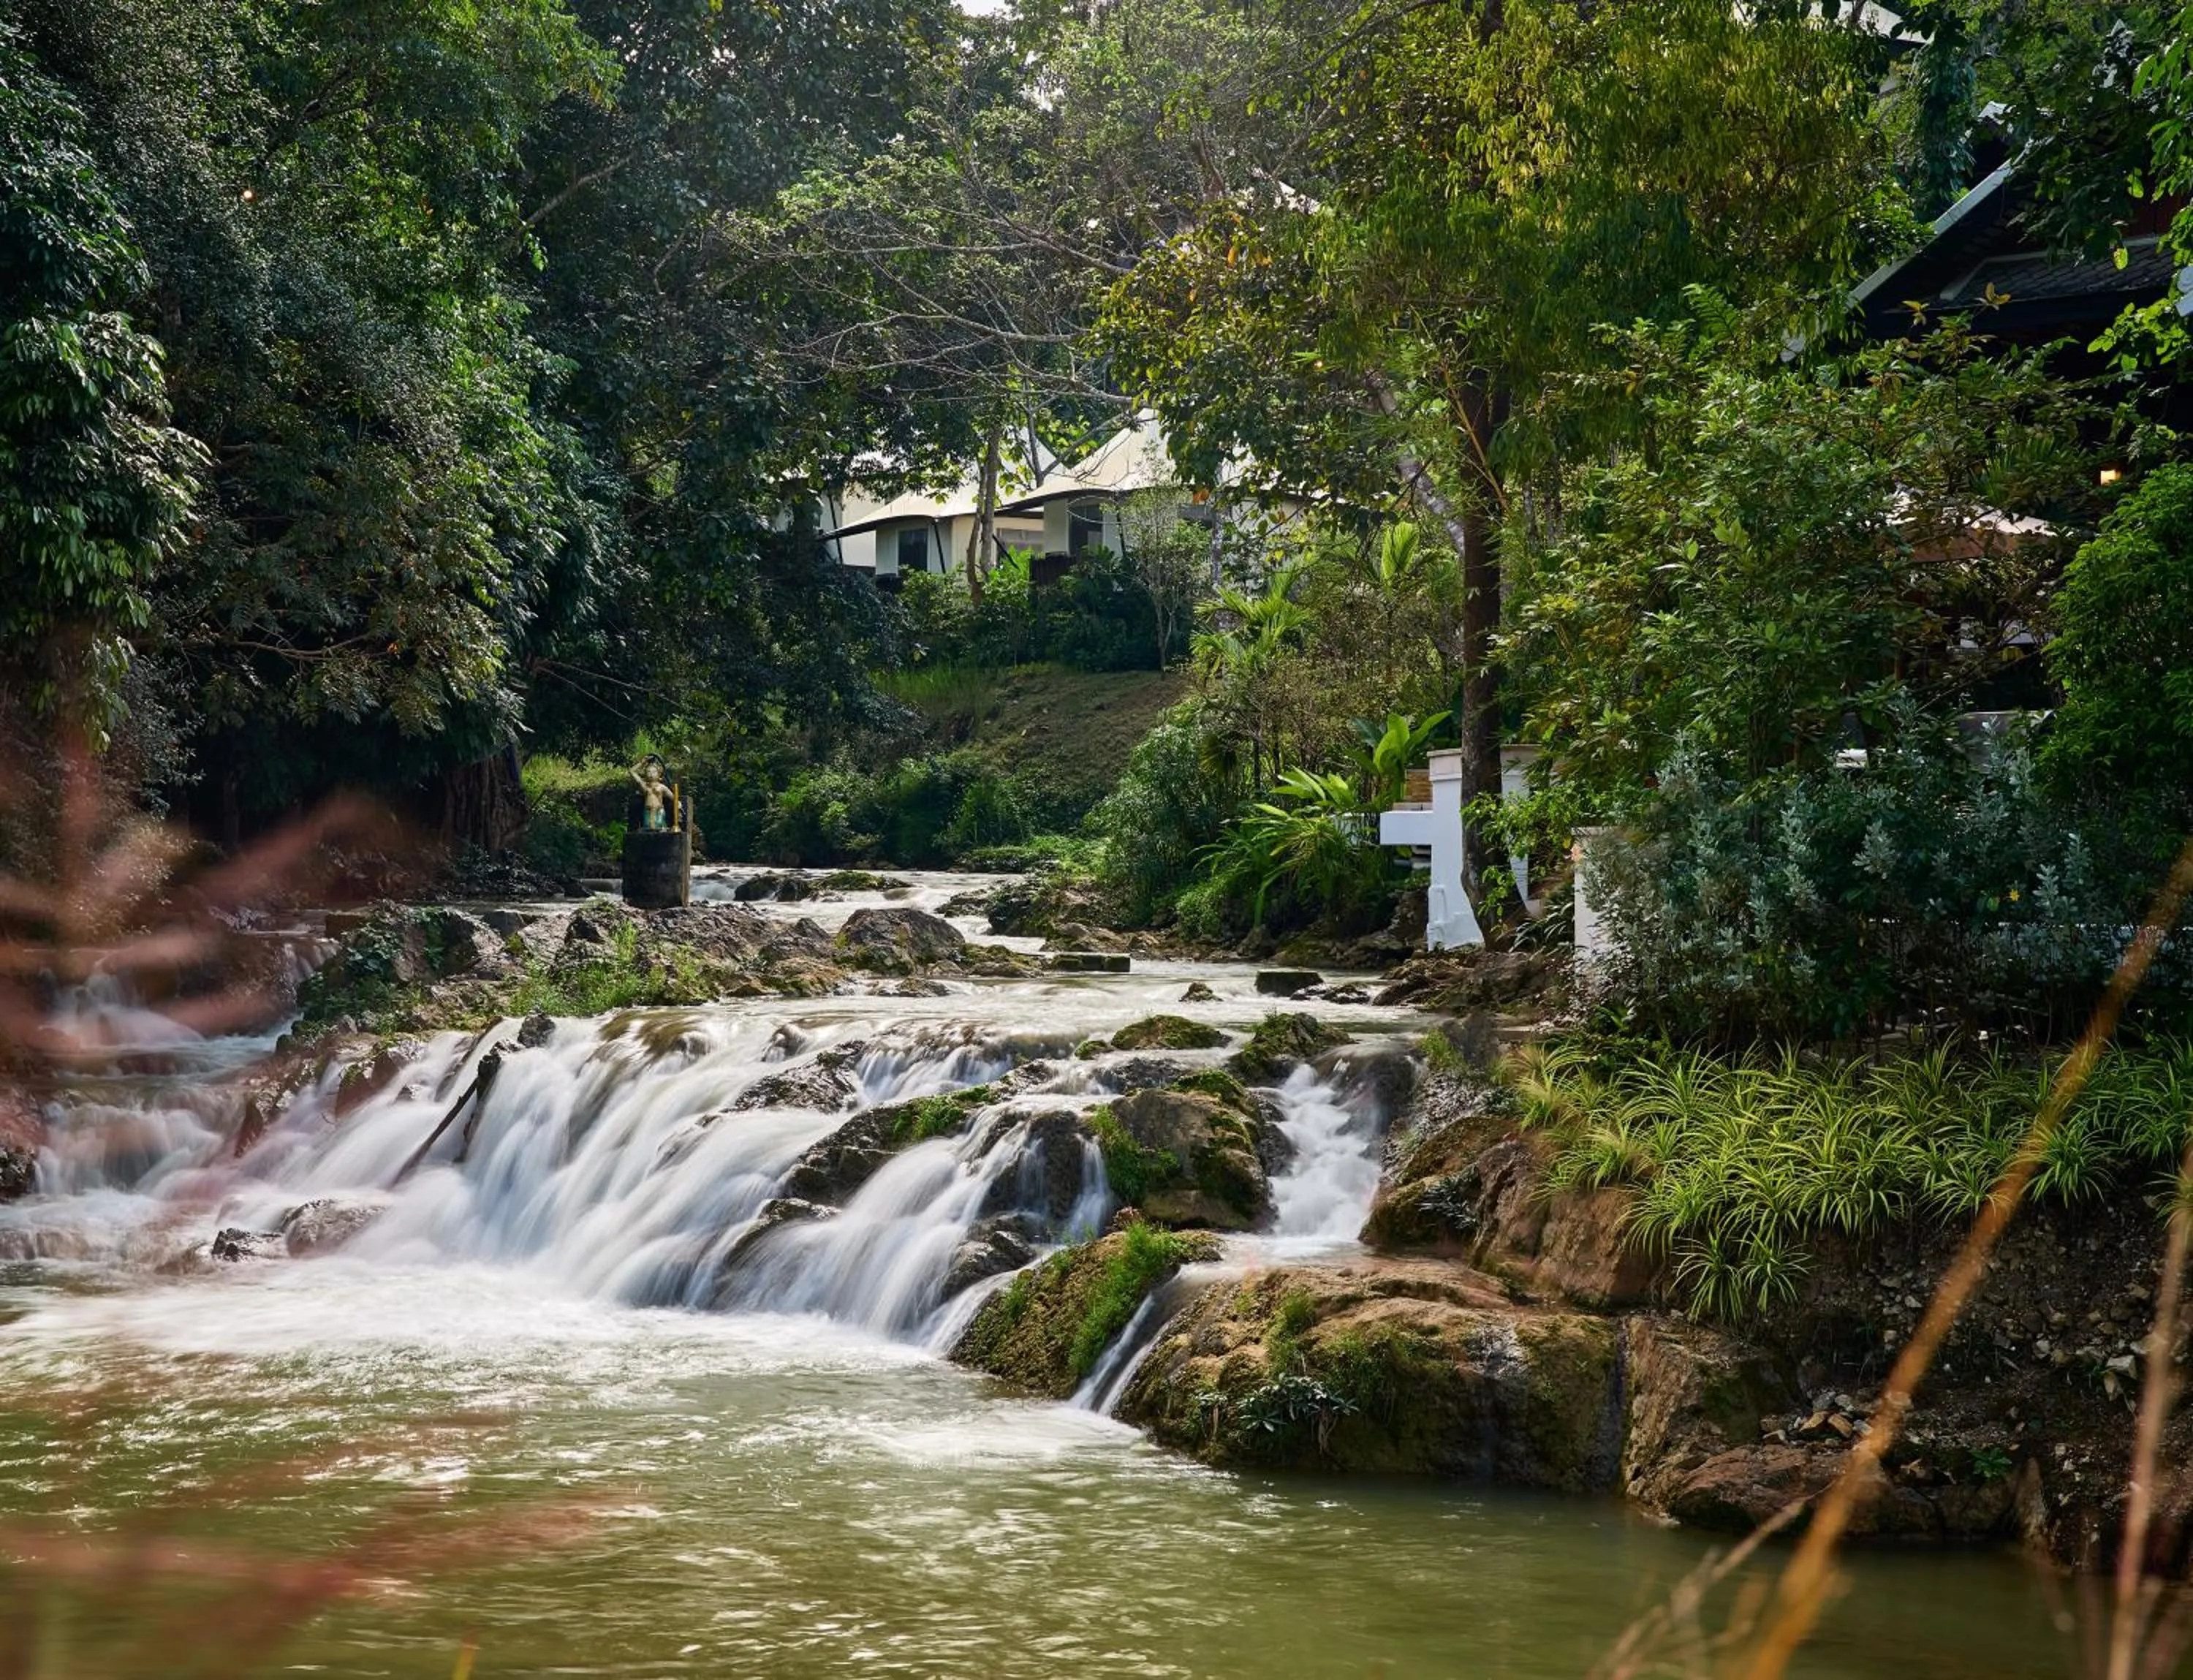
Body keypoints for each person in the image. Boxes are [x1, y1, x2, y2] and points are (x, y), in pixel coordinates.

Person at [630, 755, 675, 832]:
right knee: (649, 829)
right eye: (648, 772)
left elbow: (674, 798)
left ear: (659, 774)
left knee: (660, 829)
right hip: (648, 811)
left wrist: (678, 803)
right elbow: (631, 771)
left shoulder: (662, 787)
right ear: (645, 774)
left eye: (654, 772)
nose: (651, 774)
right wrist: (642, 762)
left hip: (659, 811)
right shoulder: (644, 786)